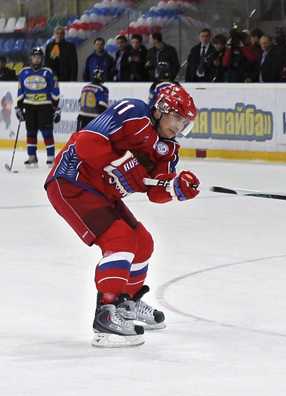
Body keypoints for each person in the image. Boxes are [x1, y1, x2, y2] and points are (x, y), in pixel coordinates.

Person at [44, 84, 200, 348]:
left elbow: (156, 190)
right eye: (177, 118)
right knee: (120, 240)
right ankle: (106, 314)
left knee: (142, 243)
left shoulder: (169, 149)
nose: (180, 126)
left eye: (185, 122)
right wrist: (121, 163)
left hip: (103, 192)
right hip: (71, 180)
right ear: (162, 110)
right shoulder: (132, 113)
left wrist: (175, 189)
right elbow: (85, 143)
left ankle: (126, 304)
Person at [15, 48, 60, 167]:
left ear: (42, 59)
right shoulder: (24, 72)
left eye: (39, 57)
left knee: (47, 132)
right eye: (34, 57)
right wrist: (18, 107)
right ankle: (32, 157)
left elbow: (55, 90)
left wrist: (56, 107)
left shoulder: (48, 72)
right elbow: (20, 90)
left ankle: (51, 157)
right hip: (29, 106)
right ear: (31, 58)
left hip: (45, 106)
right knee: (31, 132)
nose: (36, 59)